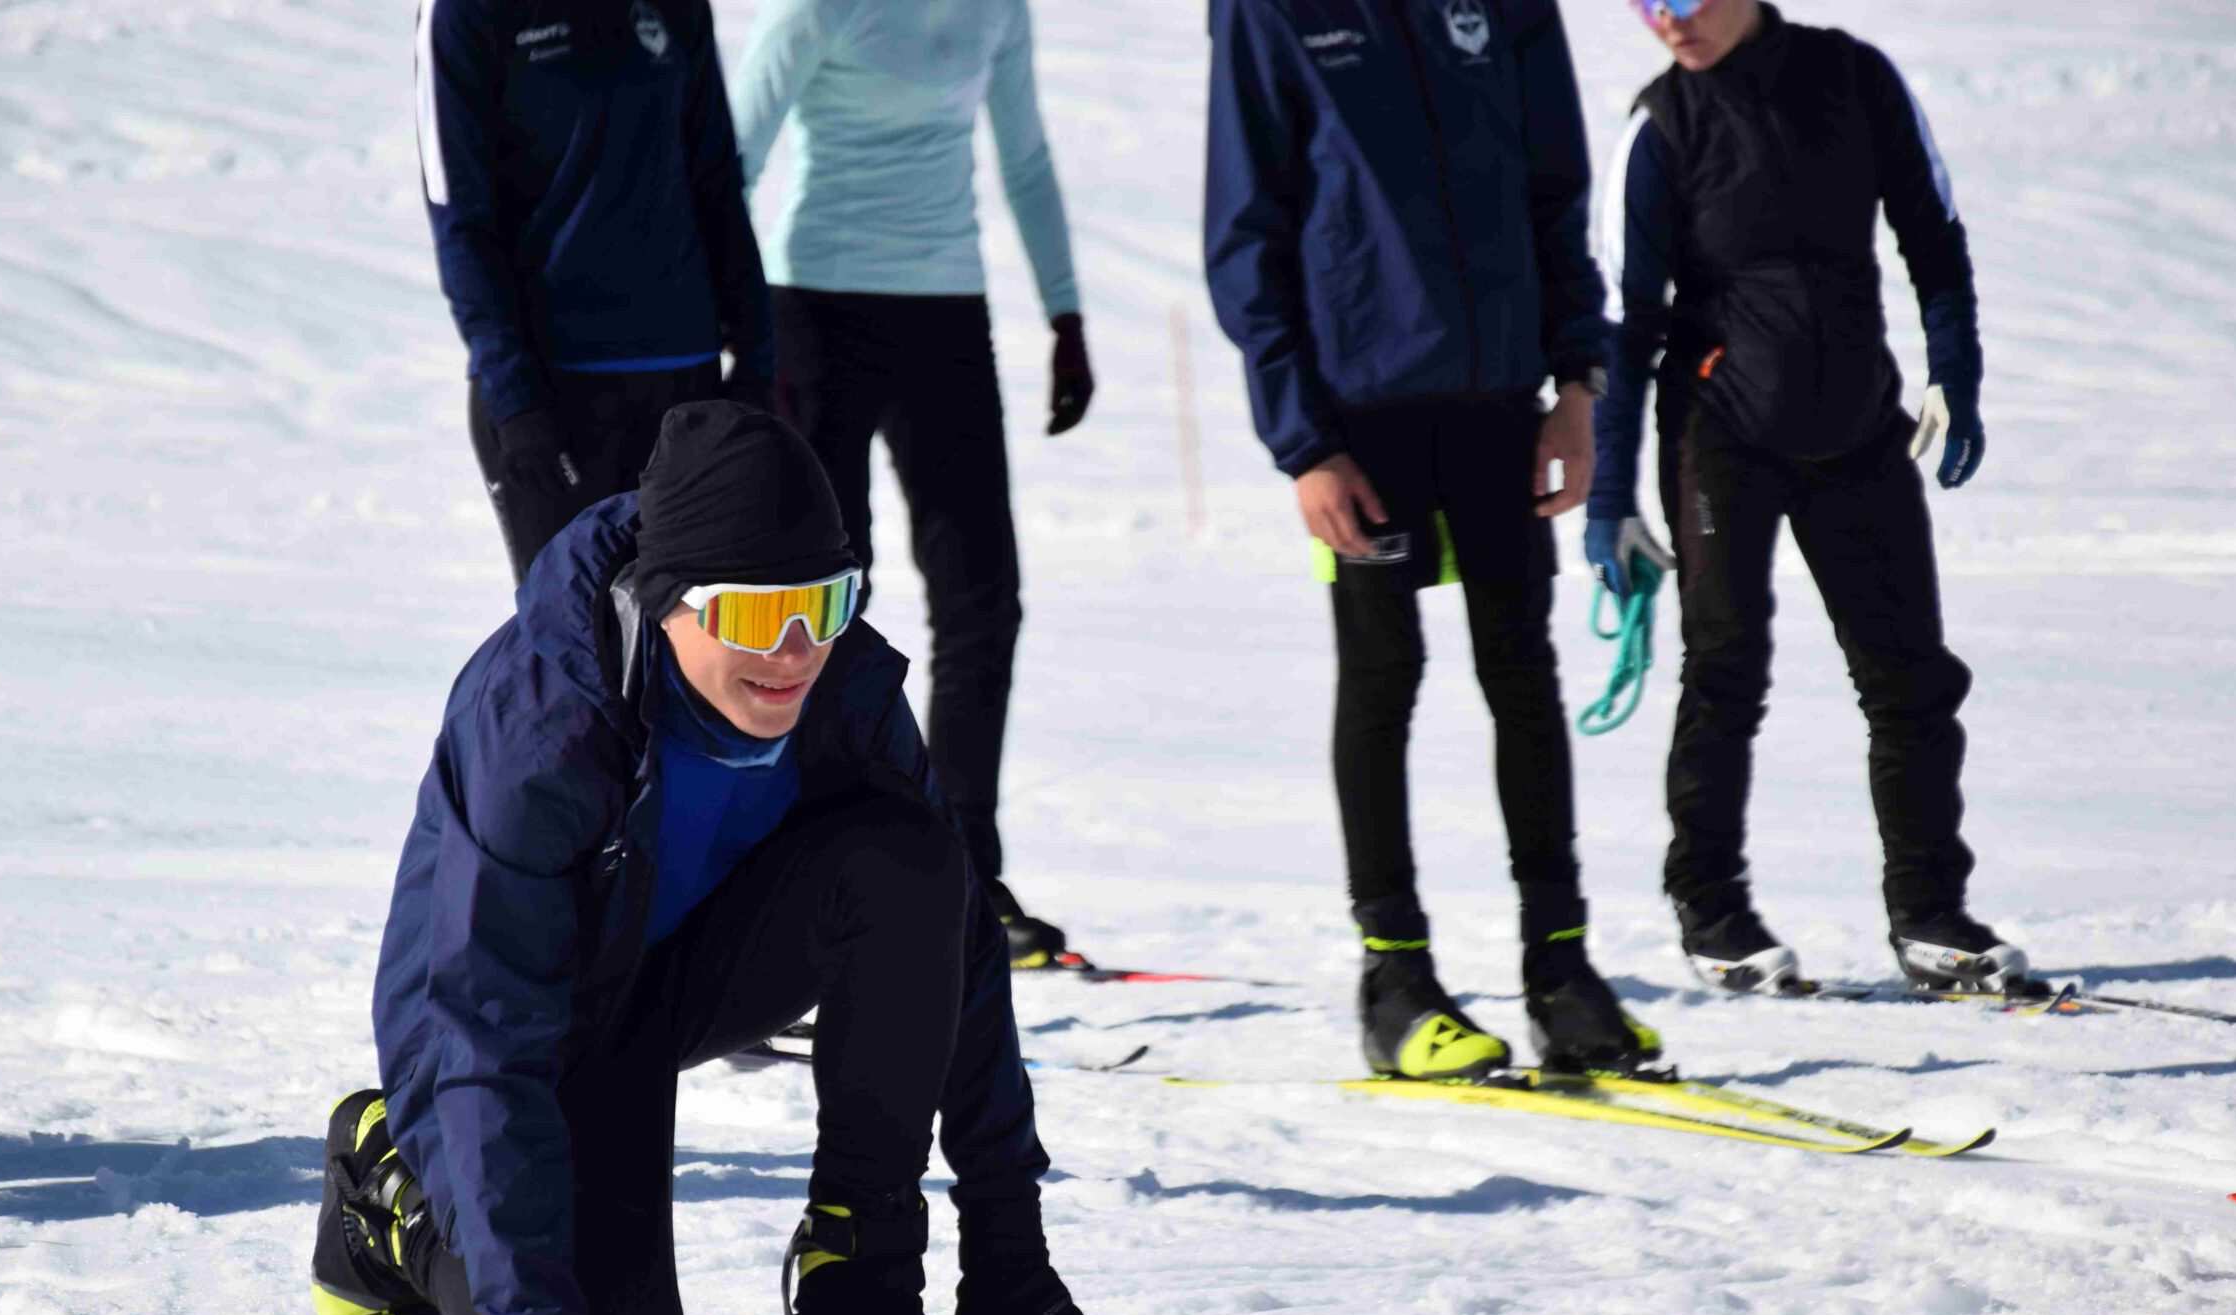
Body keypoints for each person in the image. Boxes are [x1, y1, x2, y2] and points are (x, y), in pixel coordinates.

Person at [309, 403, 1104, 1315]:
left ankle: (858, 1296)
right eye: (756, 615)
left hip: (679, 985)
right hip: (518, 1039)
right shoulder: (540, 724)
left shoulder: (848, 691)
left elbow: (956, 952)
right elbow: (484, 1034)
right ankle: (388, 1192)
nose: (796, 651)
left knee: (914, 864)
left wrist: (1010, 1255)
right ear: (663, 599)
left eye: (825, 604)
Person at [1205, 0, 1660, 1077]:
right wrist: (1305, 446)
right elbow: (1246, 228)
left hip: (1501, 399)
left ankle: (1561, 970)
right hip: (1358, 418)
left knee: (1522, 674)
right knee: (1382, 676)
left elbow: (1554, 190)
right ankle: (1396, 983)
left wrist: (1578, 383)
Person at [1590, 0, 2033, 995]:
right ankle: (1712, 911)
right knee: (1726, 669)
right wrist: (1610, 494)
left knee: (1909, 677)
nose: (1666, 20)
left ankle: (1930, 915)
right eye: (1643, 2)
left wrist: (1954, 372)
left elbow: (1931, 232)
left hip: (1857, 428)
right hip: (1721, 435)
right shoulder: (1661, 126)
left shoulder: (1855, 80)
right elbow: (1623, 322)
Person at [727, 0, 1095, 966]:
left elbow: (1026, 157)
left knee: (984, 602)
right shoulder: (817, 8)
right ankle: (809, 870)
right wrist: (728, 330)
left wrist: (1065, 316)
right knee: (824, 603)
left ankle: (965, 870)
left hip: (946, 316)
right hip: (817, 310)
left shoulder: (995, 9)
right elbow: (733, 160)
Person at [416, 0, 777, 585]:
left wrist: (758, 363)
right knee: (575, 632)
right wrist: (515, 401)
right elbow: (460, 220)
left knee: (691, 631)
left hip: (684, 383)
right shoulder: (467, 12)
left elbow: (715, 182)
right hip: (552, 394)